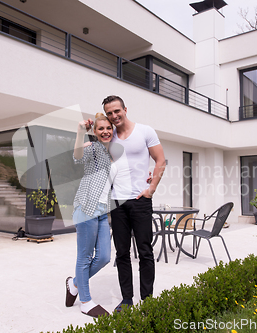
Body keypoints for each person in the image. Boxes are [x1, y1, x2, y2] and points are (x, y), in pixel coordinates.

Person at [102, 95, 166, 312]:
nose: (113, 116)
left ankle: (147, 300)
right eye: (109, 113)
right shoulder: (109, 137)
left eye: (116, 111)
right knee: (122, 253)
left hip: (140, 201)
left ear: (125, 109)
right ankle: (127, 299)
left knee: (145, 251)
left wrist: (152, 188)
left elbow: (160, 160)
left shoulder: (145, 131)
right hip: (117, 202)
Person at [65, 113, 116, 318]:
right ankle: (85, 301)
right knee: (85, 257)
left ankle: (74, 283)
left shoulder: (114, 153)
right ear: (95, 132)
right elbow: (77, 157)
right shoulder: (93, 148)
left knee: (104, 257)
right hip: (87, 207)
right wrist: (80, 133)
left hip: (103, 210)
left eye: (108, 128)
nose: (105, 131)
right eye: (101, 128)